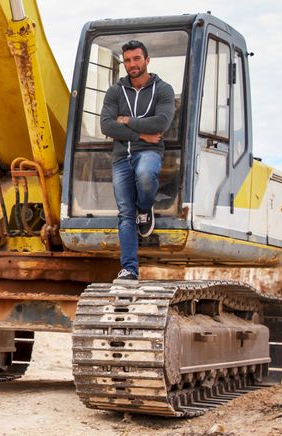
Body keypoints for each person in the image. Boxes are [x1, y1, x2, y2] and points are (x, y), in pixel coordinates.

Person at [100, 40, 175, 284]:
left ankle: (145, 207)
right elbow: (106, 125)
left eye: (136, 59)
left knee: (145, 176)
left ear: (147, 60)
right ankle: (129, 269)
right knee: (125, 214)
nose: (132, 64)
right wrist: (140, 133)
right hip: (122, 156)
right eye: (128, 60)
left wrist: (125, 121)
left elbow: (161, 123)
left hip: (149, 152)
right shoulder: (115, 91)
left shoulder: (163, 90)